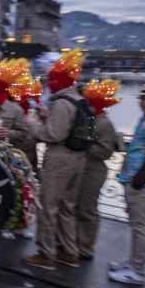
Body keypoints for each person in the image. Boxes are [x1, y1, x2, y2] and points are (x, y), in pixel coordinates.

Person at [21, 49, 88, 270]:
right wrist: (46, 116)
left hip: (59, 160)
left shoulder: (61, 103)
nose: (49, 83)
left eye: (51, 80)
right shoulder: (81, 101)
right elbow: (87, 133)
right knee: (67, 208)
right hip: (79, 159)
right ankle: (70, 252)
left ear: (57, 80)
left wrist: (33, 124)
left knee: (48, 207)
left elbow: (53, 135)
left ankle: (46, 254)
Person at [108, 83, 145, 285]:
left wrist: (138, 181)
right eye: (141, 98)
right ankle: (132, 263)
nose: (143, 102)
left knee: (140, 227)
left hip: (143, 183)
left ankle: (137, 271)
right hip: (134, 179)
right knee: (136, 225)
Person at [75, 79, 122, 260]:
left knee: (87, 210)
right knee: (78, 207)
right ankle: (76, 242)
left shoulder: (104, 123)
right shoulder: (92, 119)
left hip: (93, 171)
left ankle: (86, 247)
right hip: (83, 168)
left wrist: (84, 145)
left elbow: (104, 151)